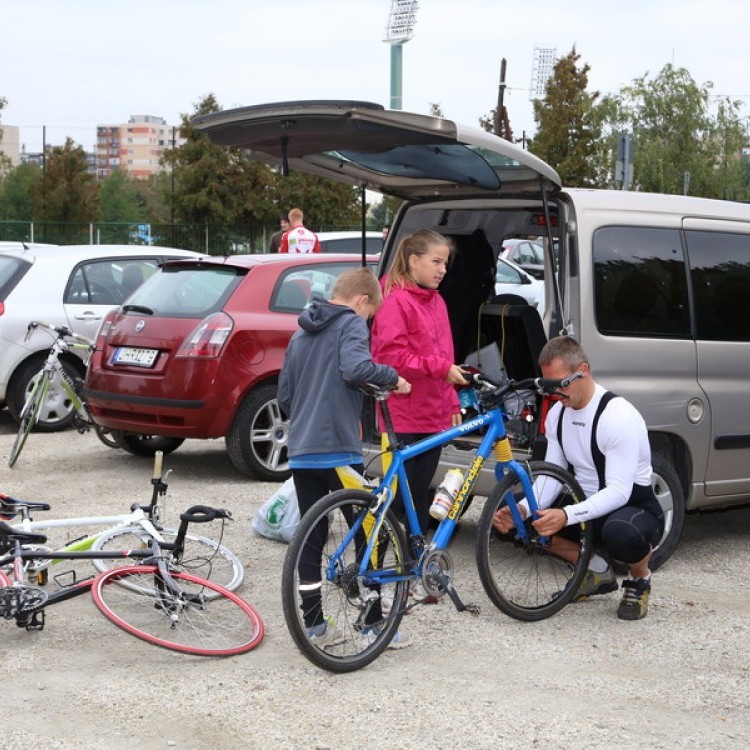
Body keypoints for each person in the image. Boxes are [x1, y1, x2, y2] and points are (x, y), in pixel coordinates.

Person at [278, 267, 412, 648]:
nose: (367, 323)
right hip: (337, 446)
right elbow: (356, 367)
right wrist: (392, 378)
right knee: (369, 530)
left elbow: (285, 398)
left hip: (303, 449)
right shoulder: (351, 323)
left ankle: (316, 626)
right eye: (370, 315)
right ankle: (372, 623)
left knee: (312, 535)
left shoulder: (300, 332)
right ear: (361, 301)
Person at [492, 335, 665, 621]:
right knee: (513, 519)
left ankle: (639, 579)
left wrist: (566, 515)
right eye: (548, 387)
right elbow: (552, 475)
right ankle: (595, 571)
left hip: (630, 504)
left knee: (622, 534)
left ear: (582, 370)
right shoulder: (557, 414)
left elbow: (619, 491)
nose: (554, 394)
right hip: (582, 500)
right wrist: (521, 510)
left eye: (560, 385)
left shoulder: (617, 416)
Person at [370, 229, 469, 547]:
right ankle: (377, 567)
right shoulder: (395, 299)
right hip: (404, 412)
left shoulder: (436, 300)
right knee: (401, 499)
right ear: (413, 261)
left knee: (420, 491)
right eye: (436, 261)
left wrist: (451, 396)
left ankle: (412, 570)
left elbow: (445, 355)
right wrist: (441, 370)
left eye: (446, 263)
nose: (442, 269)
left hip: (432, 410)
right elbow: (389, 357)